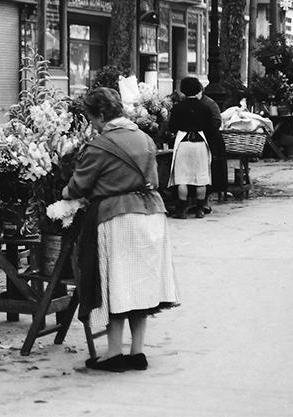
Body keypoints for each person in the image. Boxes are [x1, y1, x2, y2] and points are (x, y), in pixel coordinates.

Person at [62, 87, 179, 372]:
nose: (92, 125)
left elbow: (79, 186)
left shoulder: (100, 146)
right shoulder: (145, 139)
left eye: (92, 119)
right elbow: (153, 178)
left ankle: (114, 353)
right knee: (142, 283)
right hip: (151, 215)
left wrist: (65, 192)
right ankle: (137, 353)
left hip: (117, 218)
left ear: (102, 115)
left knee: (116, 283)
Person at [168, 77, 219, 218]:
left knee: (182, 178)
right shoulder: (205, 108)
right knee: (201, 178)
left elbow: (172, 127)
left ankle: (182, 210)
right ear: (198, 89)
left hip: (183, 143)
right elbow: (210, 128)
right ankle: (200, 209)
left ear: (183, 90)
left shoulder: (177, 107)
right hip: (200, 143)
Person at [200, 91, 227, 210]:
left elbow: (217, 121)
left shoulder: (210, 104)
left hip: (210, 139)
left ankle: (205, 200)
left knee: (210, 170)